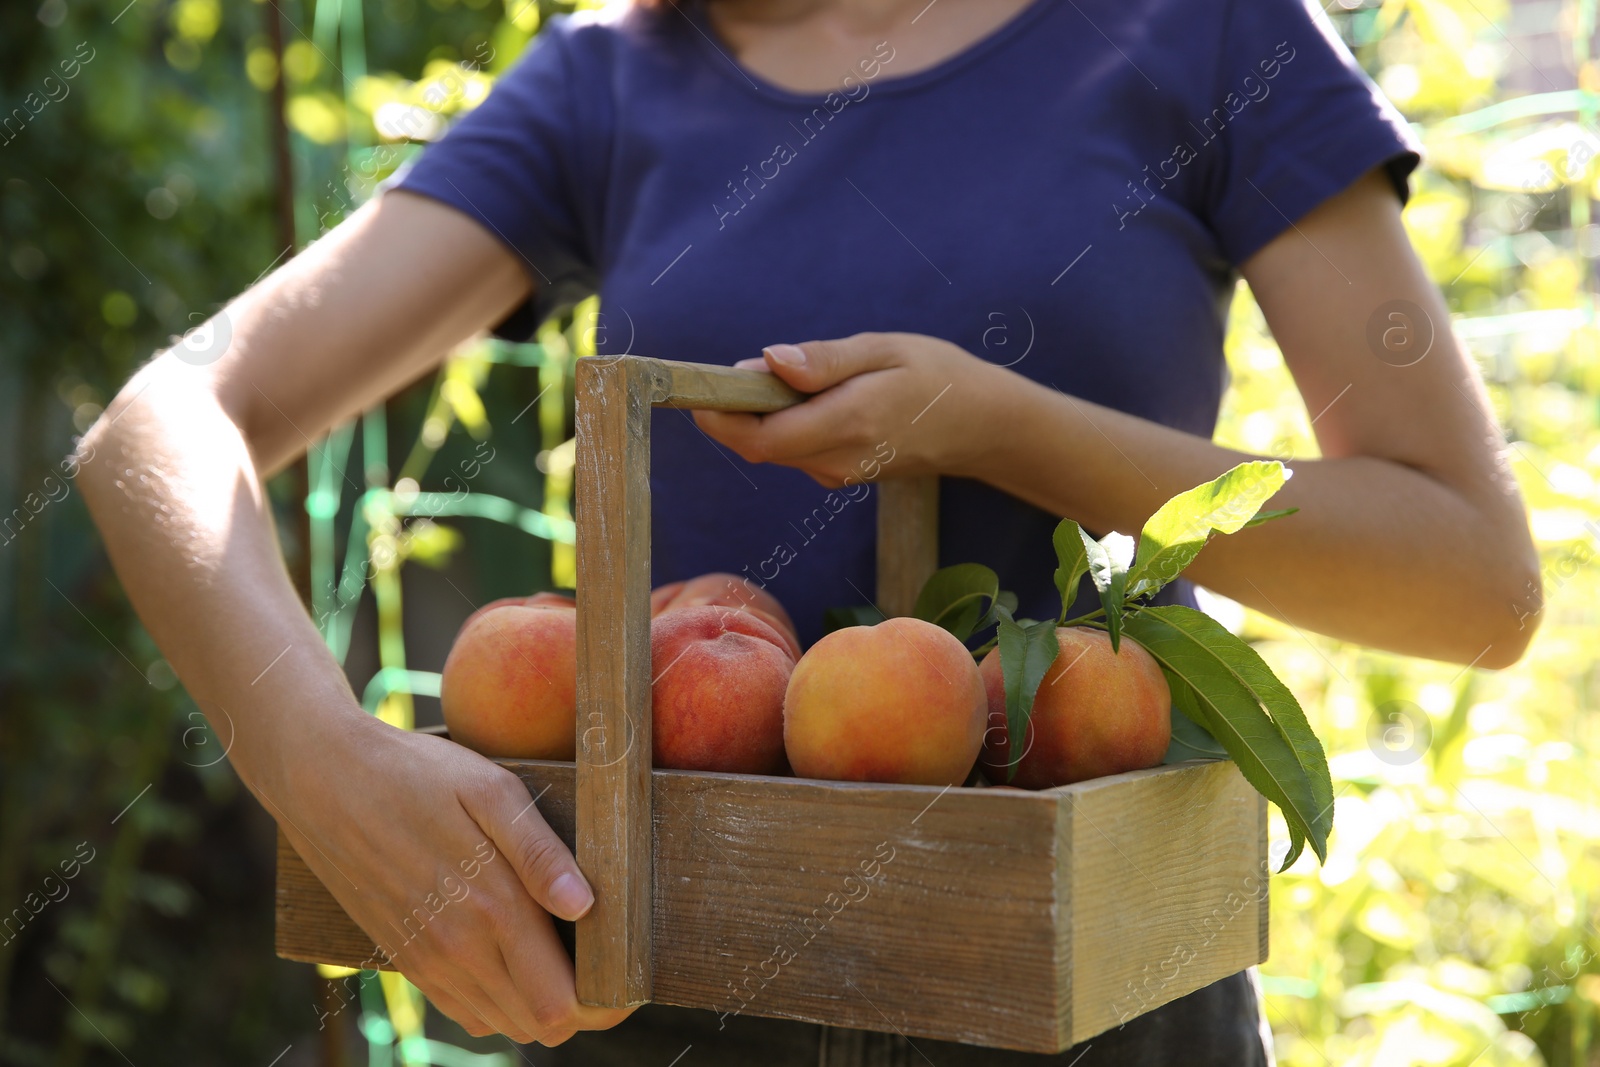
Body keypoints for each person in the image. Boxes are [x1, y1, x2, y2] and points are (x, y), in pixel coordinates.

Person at [78, 0, 1541, 1061]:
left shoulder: (1199, 35)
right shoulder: (608, 77)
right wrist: (319, 759)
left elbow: (1474, 581)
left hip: (1091, 1010)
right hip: (661, 1000)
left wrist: (1002, 424)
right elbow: (166, 420)